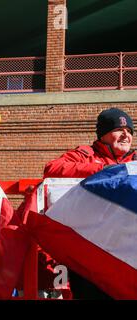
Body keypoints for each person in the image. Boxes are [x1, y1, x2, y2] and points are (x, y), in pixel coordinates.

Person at [43, 107, 136, 299]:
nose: (126, 134)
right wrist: (105, 170)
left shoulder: (135, 160)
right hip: (90, 251)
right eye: (119, 129)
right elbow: (53, 168)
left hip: (128, 253)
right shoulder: (85, 154)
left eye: (130, 131)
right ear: (103, 134)